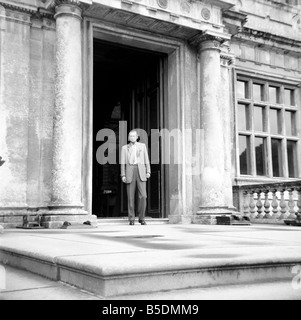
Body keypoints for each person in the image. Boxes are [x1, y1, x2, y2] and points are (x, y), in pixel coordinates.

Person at [121, 130, 151, 225]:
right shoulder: (124, 148)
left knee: (143, 196)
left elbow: (146, 159)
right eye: (130, 136)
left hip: (141, 170)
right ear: (128, 138)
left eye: (134, 136)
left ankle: (141, 218)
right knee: (130, 197)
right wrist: (123, 175)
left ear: (137, 137)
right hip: (130, 171)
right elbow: (122, 163)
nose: (132, 138)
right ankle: (131, 219)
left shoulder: (142, 146)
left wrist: (148, 171)